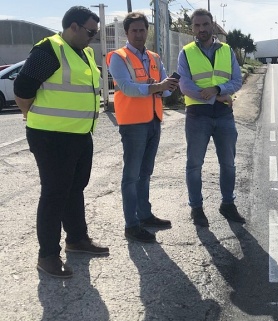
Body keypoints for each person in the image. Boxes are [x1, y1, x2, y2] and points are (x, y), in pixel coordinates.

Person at [14, 6, 109, 279]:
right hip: (51, 137)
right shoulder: (49, 50)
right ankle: (47, 256)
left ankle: (77, 239)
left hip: (80, 134)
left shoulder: (85, 53)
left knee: (75, 188)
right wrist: (29, 115)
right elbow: (22, 91)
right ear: (74, 27)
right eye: (90, 31)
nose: (93, 37)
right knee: (54, 194)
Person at [107, 12, 179, 243]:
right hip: (133, 123)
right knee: (131, 175)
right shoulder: (119, 57)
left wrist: (169, 87)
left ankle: (145, 215)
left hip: (154, 120)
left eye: (142, 30)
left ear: (147, 31)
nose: (139, 34)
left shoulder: (155, 57)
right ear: (127, 33)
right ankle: (132, 224)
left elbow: (165, 90)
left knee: (145, 173)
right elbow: (127, 88)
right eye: (134, 30)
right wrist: (156, 86)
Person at [177, 8, 246, 227]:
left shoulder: (226, 50)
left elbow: (237, 80)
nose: (201, 29)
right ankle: (196, 208)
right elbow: (185, 85)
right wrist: (215, 98)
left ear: (212, 24)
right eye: (197, 26)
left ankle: (227, 204)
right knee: (194, 165)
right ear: (192, 28)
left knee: (228, 164)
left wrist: (218, 88)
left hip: (224, 116)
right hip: (198, 115)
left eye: (205, 24)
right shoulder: (186, 52)